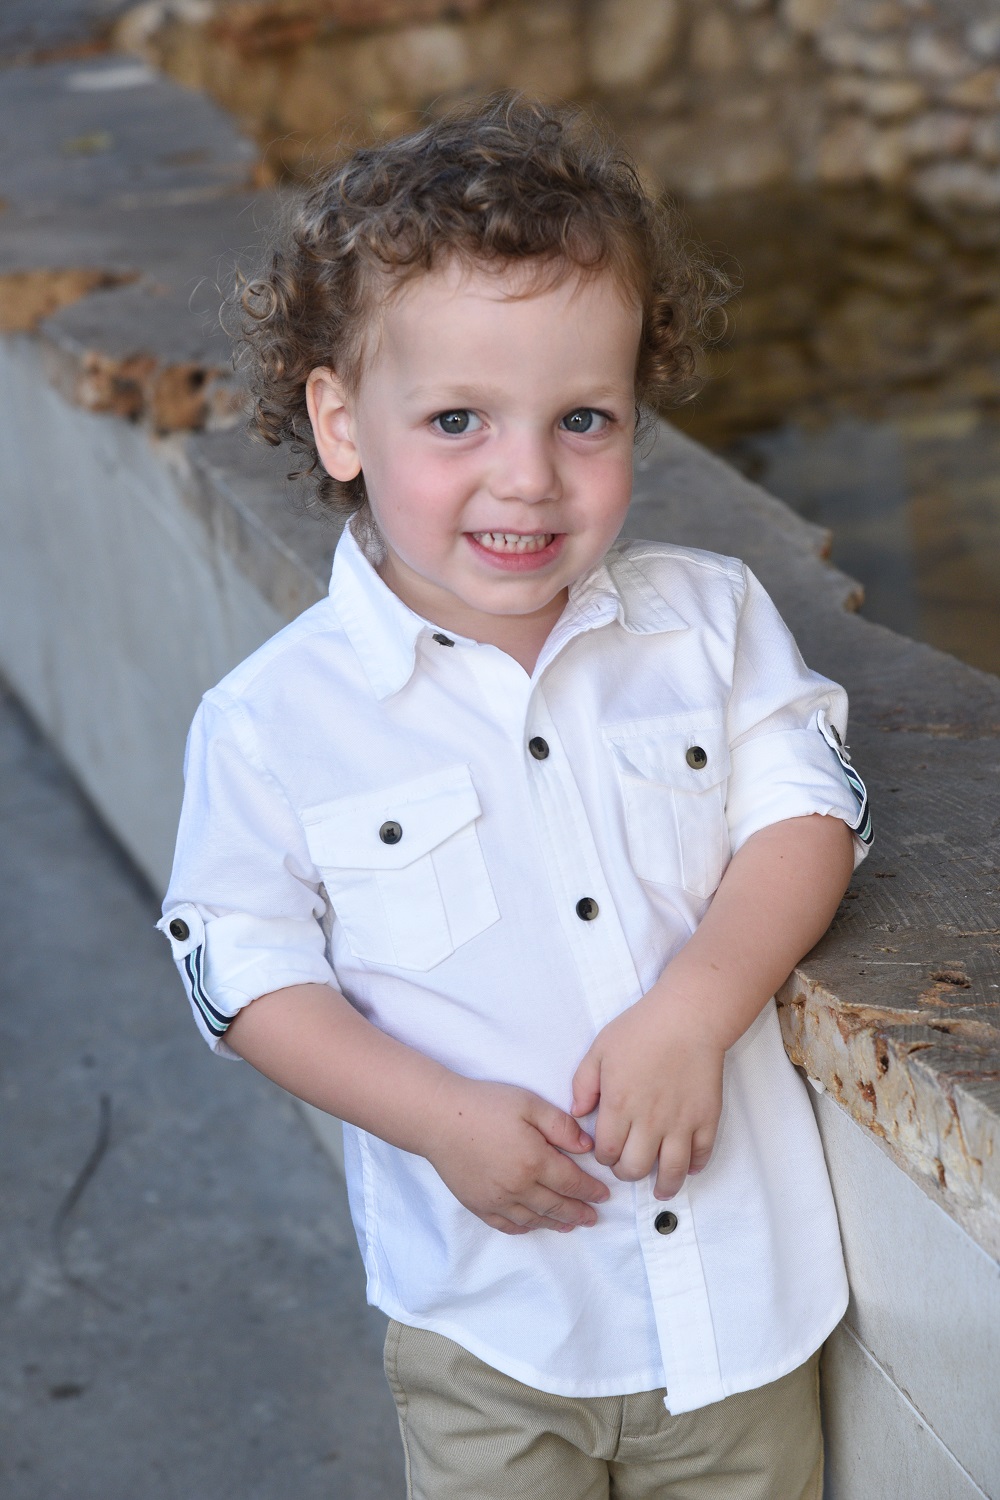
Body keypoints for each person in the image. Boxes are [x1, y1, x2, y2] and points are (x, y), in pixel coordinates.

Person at [159, 95, 872, 1498]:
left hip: (736, 1315)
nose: (529, 477)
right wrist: (433, 1115)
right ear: (340, 421)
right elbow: (243, 972)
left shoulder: (709, 622)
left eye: (583, 418)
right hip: (490, 1323)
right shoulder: (273, 721)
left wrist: (695, 1009)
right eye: (457, 420)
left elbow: (809, 811)